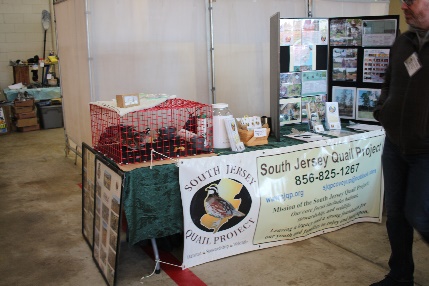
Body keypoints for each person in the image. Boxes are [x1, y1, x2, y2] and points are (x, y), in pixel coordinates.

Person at [371, 0, 429, 285]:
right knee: (396, 215)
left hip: (426, 152)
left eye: (412, 0)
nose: (404, 6)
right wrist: (383, 111)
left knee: (419, 213)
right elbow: (389, 80)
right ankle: (400, 275)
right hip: (395, 144)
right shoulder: (404, 41)